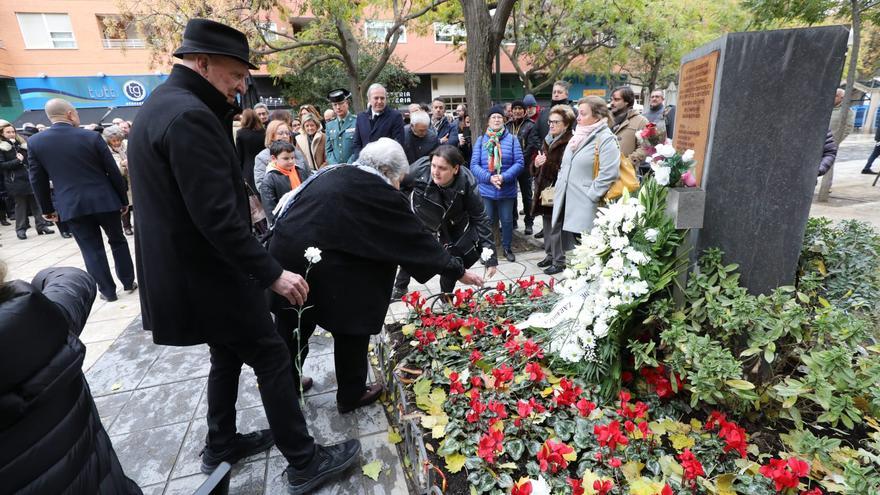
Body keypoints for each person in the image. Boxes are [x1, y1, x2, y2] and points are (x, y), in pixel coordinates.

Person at [127, 19, 361, 494]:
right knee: (272, 354)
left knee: (227, 354)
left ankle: (221, 442)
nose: (241, 86)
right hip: (209, 272)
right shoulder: (190, 115)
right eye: (236, 75)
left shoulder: (165, 103)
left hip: (191, 271)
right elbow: (216, 218)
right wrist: (273, 273)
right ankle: (304, 460)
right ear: (203, 63)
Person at [268, 138, 484, 413]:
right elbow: (415, 239)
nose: (398, 186)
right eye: (398, 179)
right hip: (317, 262)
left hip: (286, 258)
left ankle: (288, 384)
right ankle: (351, 393)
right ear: (389, 172)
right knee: (353, 320)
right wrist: (458, 270)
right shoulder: (377, 191)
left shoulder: (338, 171)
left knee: (294, 324)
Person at [0, 264, 142, 494]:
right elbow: (72, 278)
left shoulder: (37, 321)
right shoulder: (40, 320)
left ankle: (113, 287)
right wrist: (40, 279)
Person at [28, 99, 135, 302]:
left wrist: (47, 208)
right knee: (118, 241)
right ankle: (128, 282)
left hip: (71, 204)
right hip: (104, 199)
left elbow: (37, 179)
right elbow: (112, 171)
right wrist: (122, 199)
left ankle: (107, 291)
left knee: (91, 248)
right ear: (69, 114)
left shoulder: (36, 142)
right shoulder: (90, 136)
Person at [393, 144, 497, 299]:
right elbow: (397, 185)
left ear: (455, 169)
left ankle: (446, 298)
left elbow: (480, 218)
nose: (435, 171)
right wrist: (404, 210)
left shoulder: (467, 183)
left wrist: (490, 257)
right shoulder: (421, 169)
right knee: (412, 252)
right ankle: (400, 286)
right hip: (424, 218)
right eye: (433, 165)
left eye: (442, 168)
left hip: (453, 224)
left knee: (454, 261)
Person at [552, 96, 621, 237]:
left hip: (585, 207)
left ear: (597, 116)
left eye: (583, 114)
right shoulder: (578, 135)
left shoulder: (606, 138)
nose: (578, 118)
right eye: (578, 113)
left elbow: (609, 173)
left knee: (583, 251)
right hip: (568, 204)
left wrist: (592, 195)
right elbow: (566, 166)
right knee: (570, 252)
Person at [471, 105, 524, 262]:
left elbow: (520, 163)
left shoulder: (513, 140)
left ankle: (507, 247)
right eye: (493, 117)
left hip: (506, 189)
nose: (496, 119)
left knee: (507, 220)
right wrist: (490, 178)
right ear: (488, 121)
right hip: (486, 189)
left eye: (499, 117)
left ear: (504, 120)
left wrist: (503, 177)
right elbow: (474, 165)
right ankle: (486, 251)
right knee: (486, 221)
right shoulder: (481, 140)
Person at [532, 105, 575, 275]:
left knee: (557, 226)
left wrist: (546, 163)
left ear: (566, 124)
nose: (551, 125)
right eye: (550, 122)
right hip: (546, 189)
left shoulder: (570, 141)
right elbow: (539, 162)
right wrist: (536, 164)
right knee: (547, 223)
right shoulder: (549, 139)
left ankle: (559, 260)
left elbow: (565, 167)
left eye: (555, 122)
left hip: (560, 189)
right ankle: (550, 255)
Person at [0, 120, 53, 239]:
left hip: (28, 177)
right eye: (8, 132)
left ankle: (42, 225)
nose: (11, 134)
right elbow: (2, 165)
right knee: (21, 206)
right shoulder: (2, 147)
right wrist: (17, 161)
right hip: (15, 180)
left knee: (36, 203)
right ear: (2, 134)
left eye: (13, 131)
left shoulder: (21, 144)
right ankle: (20, 229)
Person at [506, 100, 541, 235]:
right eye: (515, 108)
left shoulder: (530, 125)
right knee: (511, 193)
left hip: (525, 165)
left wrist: (519, 160)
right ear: (512, 110)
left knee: (527, 195)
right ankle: (513, 220)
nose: (517, 111)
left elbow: (531, 145)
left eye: (520, 108)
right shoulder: (507, 126)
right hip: (509, 166)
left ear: (525, 111)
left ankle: (529, 222)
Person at [260, 140, 310, 224]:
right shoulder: (269, 180)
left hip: (306, 216)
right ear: (273, 158)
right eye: (286, 158)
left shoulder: (300, 171)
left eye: (292, 158)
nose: (291, 161)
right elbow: (271, 210)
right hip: (288, 222)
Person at [351, 83, 405, 160]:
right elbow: (356, 143)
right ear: (369, 99)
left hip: (385, 166)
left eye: (382, 98)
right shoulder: (361, 117)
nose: (379, 101)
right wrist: (360, 161)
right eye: (376, 98)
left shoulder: (395, 117)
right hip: (364, 165)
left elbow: (398, 144)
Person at [254, 120, 304, 191]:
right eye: (280, 133)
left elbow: (306, 174)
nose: (285, 136)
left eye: (287, 133)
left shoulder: (296, 152)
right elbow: (262, 187)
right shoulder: (262, 157)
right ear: (271, 136)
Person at [103, 125, 134, 235]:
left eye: (118, 140)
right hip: (121, 181)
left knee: (137, 204)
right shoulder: (106, 149)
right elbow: (111, 166)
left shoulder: (128, 143)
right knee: (125, 204)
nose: (117, 143)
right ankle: (126, 227)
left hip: (133, 179)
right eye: (114, 141)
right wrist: (121, 164)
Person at [324, 88, 357, 165]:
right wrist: (335, 166)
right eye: (335, 105)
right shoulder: (329, 126)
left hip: (354, 167)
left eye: (341, 103)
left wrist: (348, 165)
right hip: (336, 169)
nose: (338, 107)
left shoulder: (357, 122)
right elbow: (328, 151)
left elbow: (360, 146)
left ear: (347, 103)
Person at [236, 108, 266, 191]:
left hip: (247, 167)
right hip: (263, 165)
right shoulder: (263, 132)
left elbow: (239, 155)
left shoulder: (240, 133)